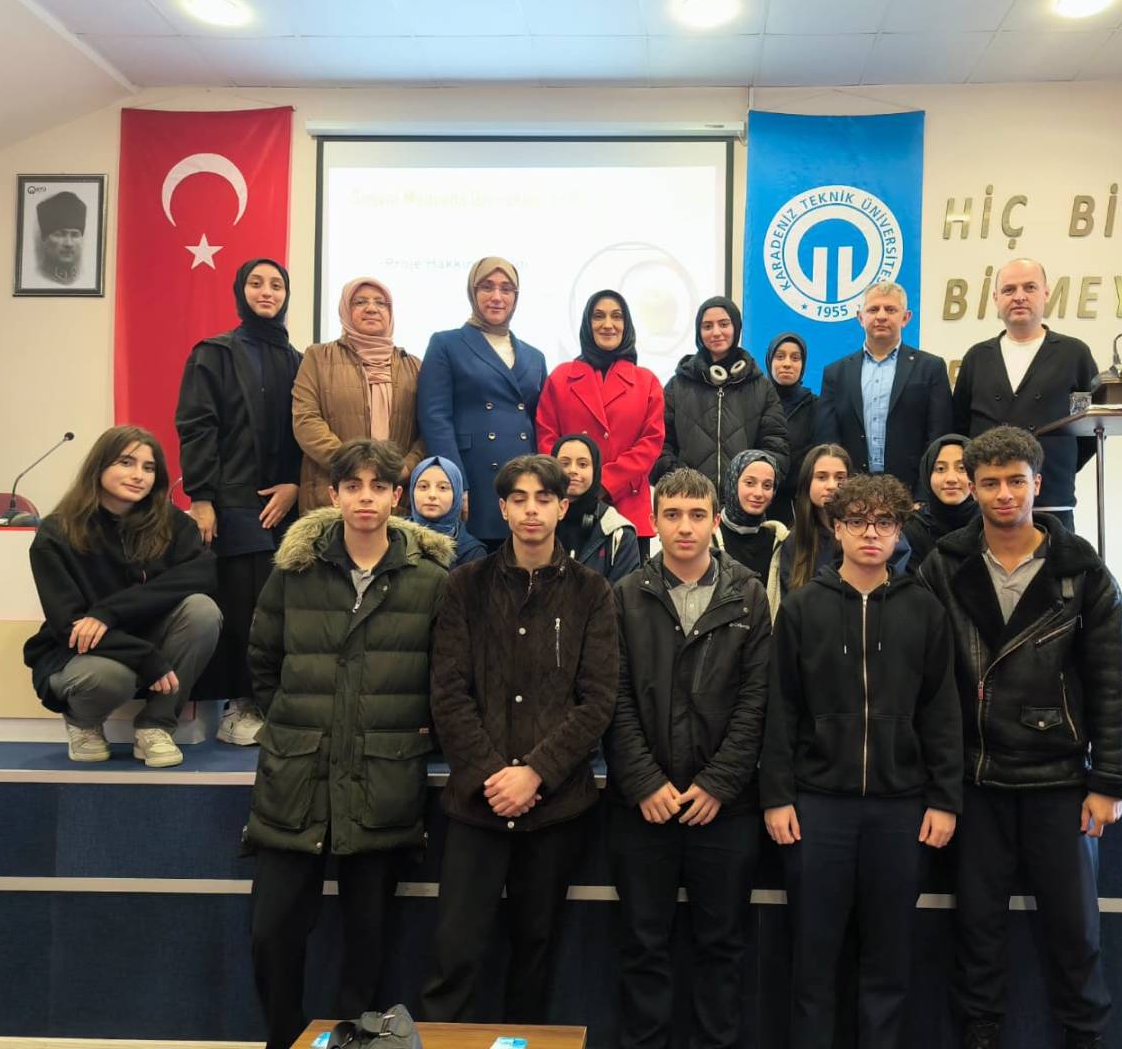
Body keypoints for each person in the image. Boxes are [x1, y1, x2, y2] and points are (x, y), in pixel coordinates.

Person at [916, 426, 1122, 1049]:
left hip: (1060, 779)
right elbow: (927, 683)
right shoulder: (944, 565)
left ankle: (1085, 1035)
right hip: (975, 776)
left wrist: (1110, 780)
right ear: (973, 489)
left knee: (1075, 929)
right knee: (976, 928)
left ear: (1038, 483)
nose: (1004, 494)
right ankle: (980, 1034)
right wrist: (935, 781)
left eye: (1016, 481)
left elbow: (1111, 680)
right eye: (990, 483)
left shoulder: (1082, 569)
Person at [245, 438, 450, 1049]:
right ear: (332, 495)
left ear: (396, 497)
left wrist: (413, 730)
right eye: (353, 486)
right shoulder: (294, 571)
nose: (366, 498)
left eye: (378, 487)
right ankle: (284, 1039)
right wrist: (296, 723)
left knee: (368, 940)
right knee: (271, 933)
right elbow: (263, 660)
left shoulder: (431, 581)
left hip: (382, 778)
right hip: (297, 777)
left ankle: (351, 1043)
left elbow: (446, 676)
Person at [761, 473, 962, 1049]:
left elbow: (942, 711)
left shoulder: (925, 610)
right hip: (818, 808)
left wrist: (945, 799)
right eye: (857, 522)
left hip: (901, 810)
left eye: (884, 522)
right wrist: (777, 795)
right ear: (836, 528)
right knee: (813, 961)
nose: (871, 533)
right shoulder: (802, 609)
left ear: (899, 531)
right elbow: (781, 708)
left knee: (889, 961)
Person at [419, 455, 619, 1024]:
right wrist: (494, 776)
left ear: (563, 507)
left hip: (554, 807)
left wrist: (534, 773)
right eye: (520, 499)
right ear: (502, 509)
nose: (532, 510)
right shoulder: (464, 586)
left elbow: (597, 699)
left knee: (535, 956)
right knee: (454, 957)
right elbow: (448, 694)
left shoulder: (592, 593)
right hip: (477, 805)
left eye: (544, 499)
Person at [605, 467, 770, 1049]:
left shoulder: (748, 594)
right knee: (642, 945)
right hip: (641, 807)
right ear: (654, 520)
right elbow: (613, 697)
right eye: (672, 514)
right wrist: (644, 781)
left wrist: (720, 783)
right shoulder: (626, 595)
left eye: (697, 515)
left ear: (715, 521)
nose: (684, 527)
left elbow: (757, 699)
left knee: (722, 947)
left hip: (724, 809)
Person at [23, 426, 221, 768]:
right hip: (82, 651)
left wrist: (108, 612)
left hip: (146, 633)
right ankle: (83, 722)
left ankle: (156, 726)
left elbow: (203, 574)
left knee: (202, 610)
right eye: (126, 462)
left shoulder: (171, 523)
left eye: (148, 467)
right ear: (99, 466)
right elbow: (69, 626)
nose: (139, 475)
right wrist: (146, 657)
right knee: (111, 677)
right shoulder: (56, 533)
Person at [176, 257, 302, 746]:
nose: (267, 292)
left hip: (284, 505)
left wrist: (294, 485)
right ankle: (237, 706)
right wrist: (202, 498)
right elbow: (197, 426)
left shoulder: (297, 359)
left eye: (276, 285)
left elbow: (302, 431)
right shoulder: (215, 353)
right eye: (256, 283)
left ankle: (270, 701)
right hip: (231, 501)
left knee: (280, 607)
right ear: (240, 291)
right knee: (240, 603)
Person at [951, 258, 1099, 531]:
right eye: (1009, 290)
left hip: (1052, 500)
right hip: (989, 505)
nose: (1019, 296)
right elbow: (959, 428)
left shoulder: (1074, 354)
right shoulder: (977, 357)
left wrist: (1056, 464)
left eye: (1029, 287)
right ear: (996, 298)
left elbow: (1088, 426)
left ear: (1046, 293)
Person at [418, 256, 548, 548]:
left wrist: (543, 487)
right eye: (487, 287)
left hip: (523, 483)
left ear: (516, 296)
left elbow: (540, 423)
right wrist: (455, 482)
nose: (497, 297)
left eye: (506, 288)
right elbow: (435, 418)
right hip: (474, 478)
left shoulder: (534, 356)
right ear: (472, 292)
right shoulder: (446, 343)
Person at [536, 289, 665, 547]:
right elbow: (546, 437)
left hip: (628, 507)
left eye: (616, 316)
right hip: (569, 506)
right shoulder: (560, 378)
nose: (608, 324)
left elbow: (651, 443)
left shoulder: (647, 381)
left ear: (626, 325)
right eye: (598, 316)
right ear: (587, 323)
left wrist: (605, 481)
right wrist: (570, 480)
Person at [291, 276, 425, 513]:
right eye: (360, 302)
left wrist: (405, 469)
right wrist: (352, 465)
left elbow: (428, 430)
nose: (371, 308)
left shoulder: (414, 366)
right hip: (330, 498)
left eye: (381, 303)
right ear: (345, 309)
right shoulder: (317, 357)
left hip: (396, 499)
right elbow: (306, 420)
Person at [815, 281, 952, 496]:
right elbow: (828, 440)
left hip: (912, 493)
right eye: (873, 309)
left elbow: (938, 437)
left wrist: (923, 495)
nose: (881, 316)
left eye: (890, 309)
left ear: (905, 318)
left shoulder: (931, 368)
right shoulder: (836, 373)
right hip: (851, 493)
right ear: (860, 318)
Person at [652, 296, 788, 492]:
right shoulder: (677, 385)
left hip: (744, 500)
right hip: (689, 499)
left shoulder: (761, 386)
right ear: (699, 333)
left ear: (736, 328)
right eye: (707, 326)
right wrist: (683, 484)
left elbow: (776, 446)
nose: (716, 332)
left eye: (724, 324)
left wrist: (751, 485)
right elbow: (659, 446)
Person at [552, 433, 641, 585]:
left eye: (582, 464)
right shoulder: (535, 524)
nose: (572, 470)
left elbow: (623, 595)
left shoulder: (619, 534)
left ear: (596, 470)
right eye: (564, 464)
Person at [712, 448, 787, 620]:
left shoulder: (779, 541)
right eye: (750, 483)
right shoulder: (709, 536)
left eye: (767, 486)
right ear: (733, 482)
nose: (758, 493)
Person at [779, 443, 851, 594]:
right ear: (807, 483)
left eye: (840, 477)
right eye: (821, 477)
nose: (832, 485)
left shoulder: (864, 534)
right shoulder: (793, 541)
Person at [902, 434, 978, 570]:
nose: (951, 479)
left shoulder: (989, 523)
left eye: (962, 468)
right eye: (940, 469)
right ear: (927, 474)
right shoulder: (913, 528)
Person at [765, 331, 817, 528]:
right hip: (758, 500)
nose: (787, 364)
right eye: (780, 357)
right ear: (769, 361)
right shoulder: (757, 402)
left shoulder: (815, 406)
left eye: (795, 358)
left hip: (799, 508)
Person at [407, 454, 488, 570]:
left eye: (443, 488)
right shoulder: (394, 536)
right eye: (423, 486)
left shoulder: (472, 552)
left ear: (456, 495)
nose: (432, 495)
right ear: (412, 491)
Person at [34, 189, 86, 285]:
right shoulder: (35, 279)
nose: (68, 244)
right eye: (59, 234)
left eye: (75, 235)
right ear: (44, 237)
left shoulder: (84, 278)